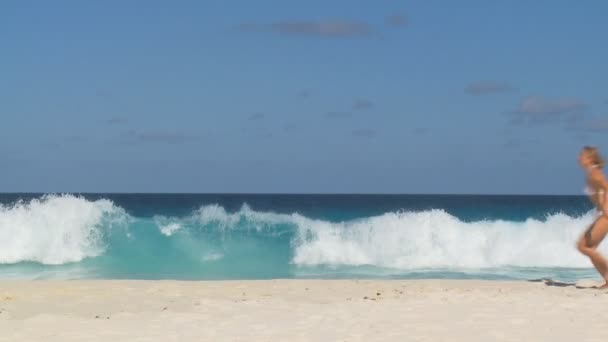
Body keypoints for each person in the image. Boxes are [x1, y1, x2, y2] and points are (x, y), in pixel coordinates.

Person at [577, 146, 608, 289]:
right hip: (602, 214)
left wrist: (605, 207)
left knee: (583, 246)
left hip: (606, 215)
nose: (579, 158)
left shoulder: (595, 173)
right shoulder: (592, 173)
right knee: (589, 247)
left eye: (582, 155)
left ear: (590, 158)